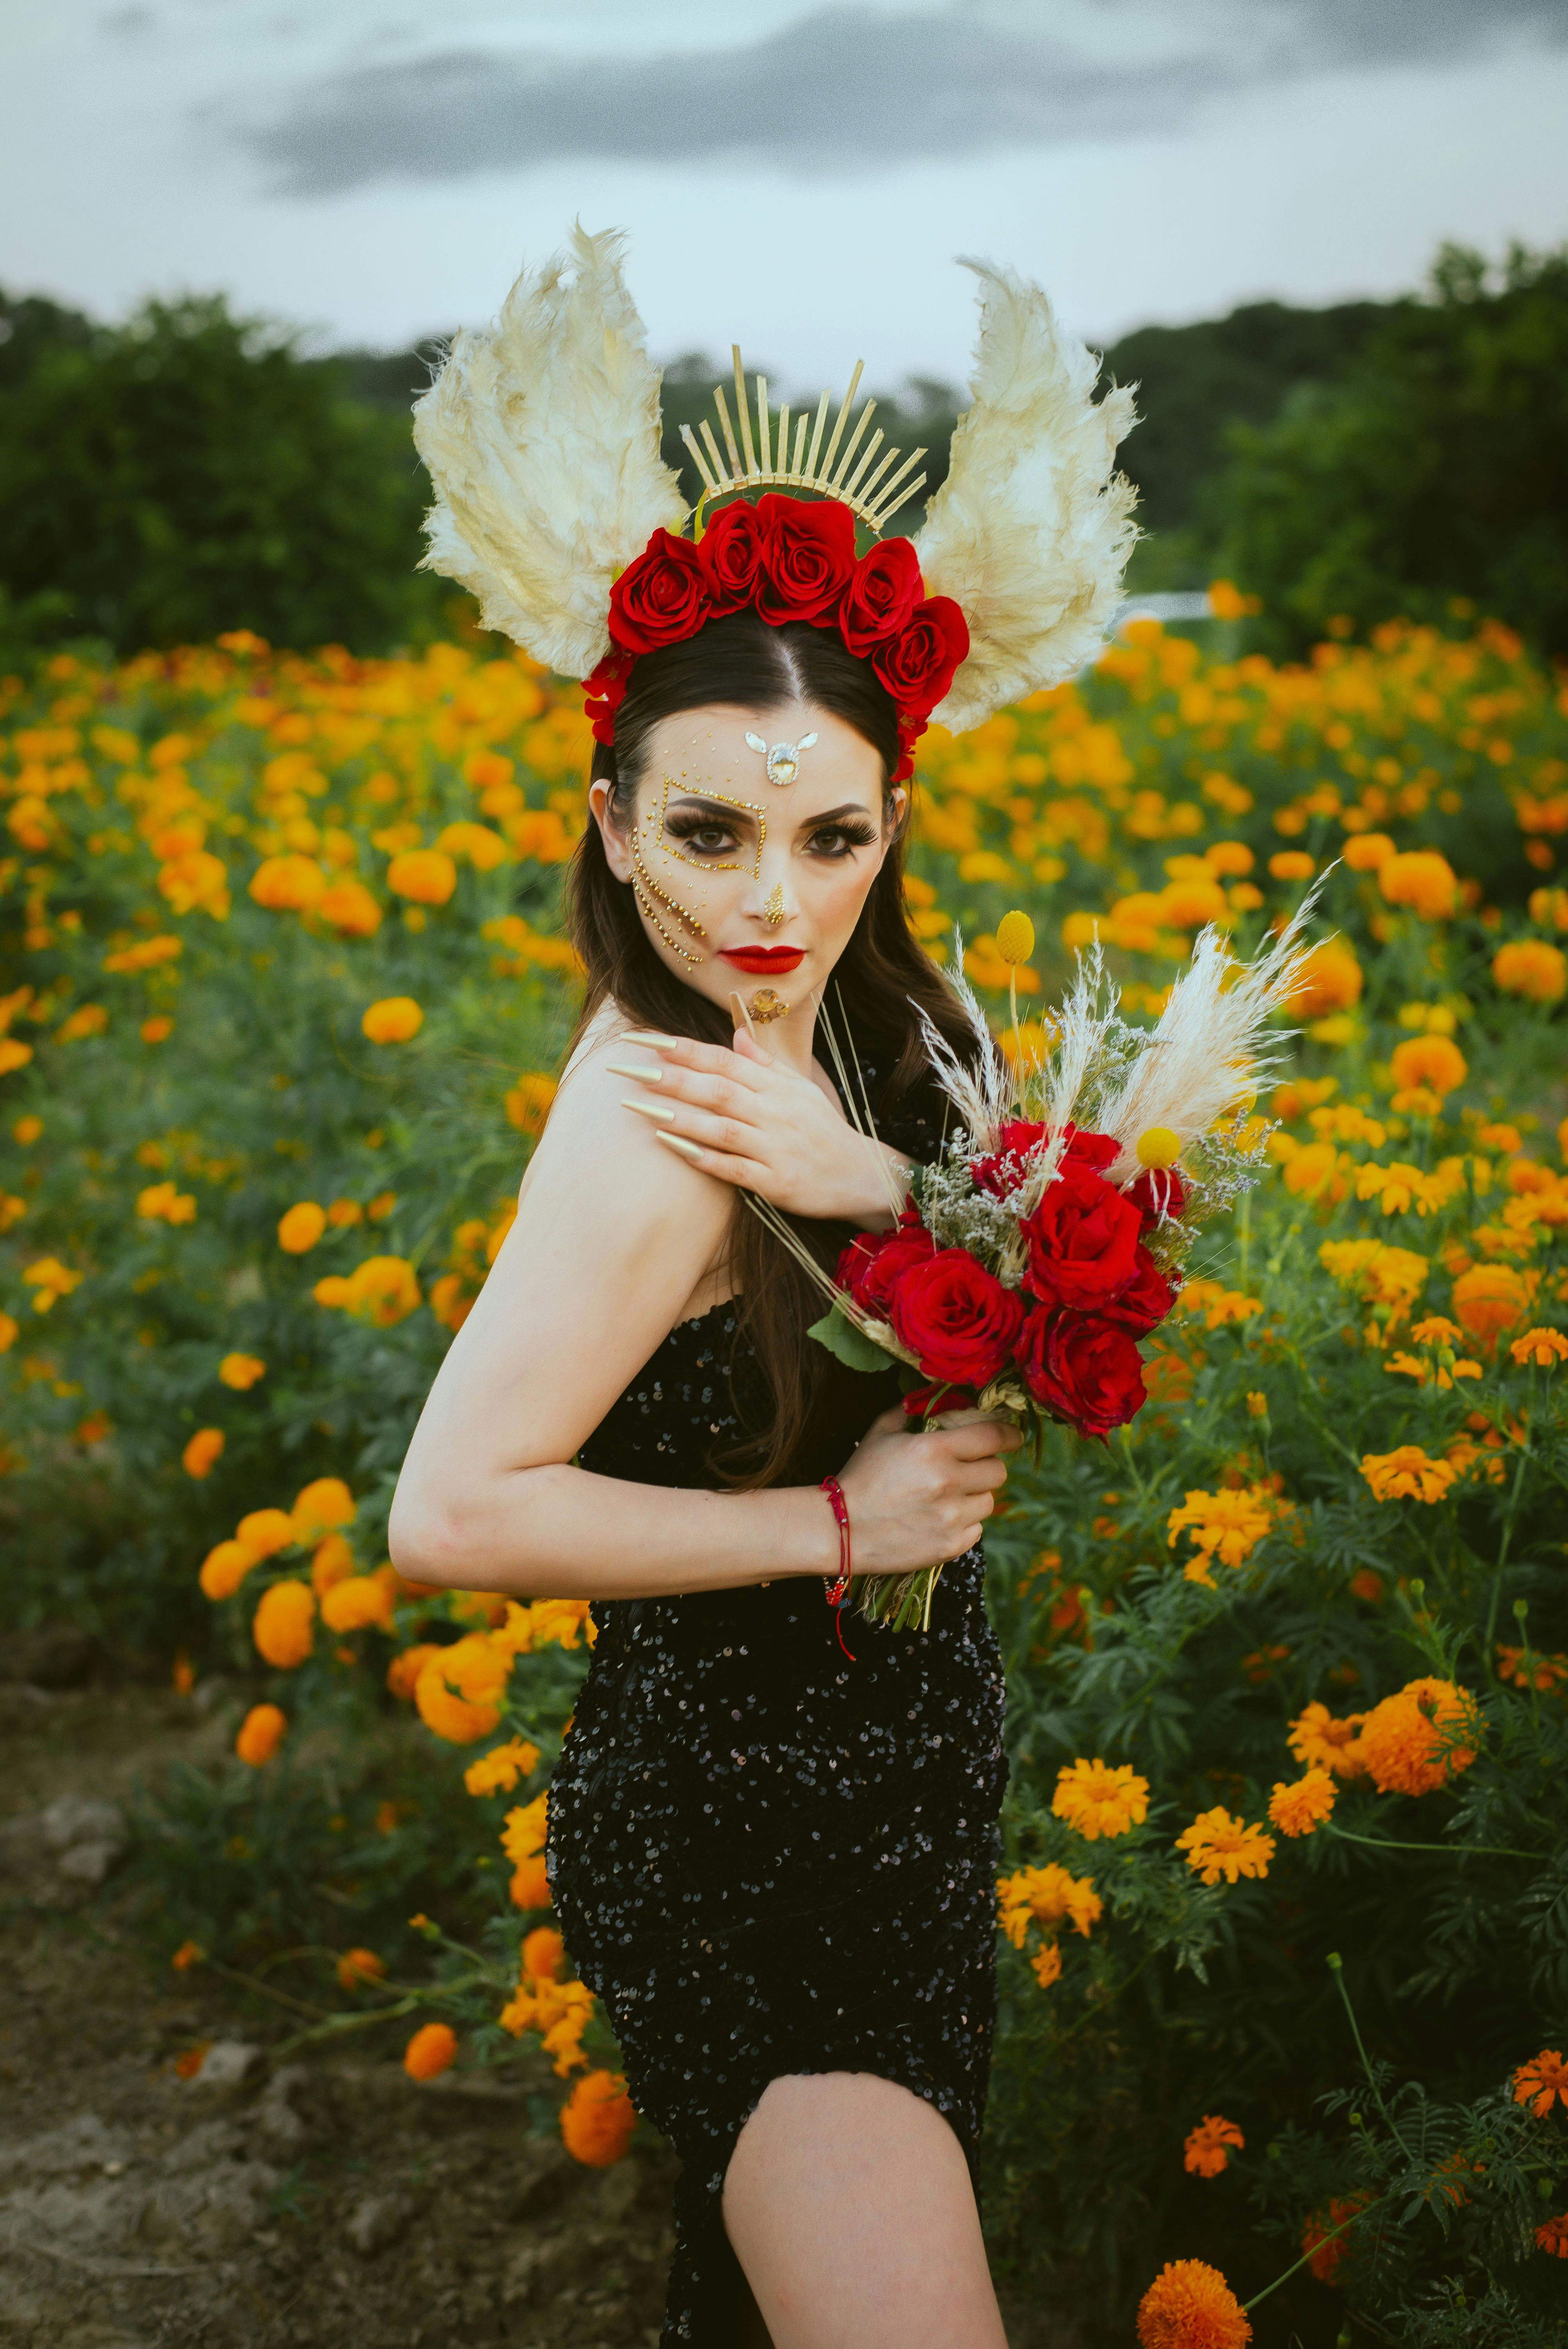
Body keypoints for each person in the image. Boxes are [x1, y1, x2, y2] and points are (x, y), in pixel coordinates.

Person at [389, 227, 1137, 2348]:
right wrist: (831, 1526)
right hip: (750, 1850)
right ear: (614, 830)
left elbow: (1093, 1346)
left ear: (895, 818)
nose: (774, 901)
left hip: (909, 1814)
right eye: (709, 837)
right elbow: (447, 1514)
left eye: (831, 839)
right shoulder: (652, 1121)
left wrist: (884, 1182)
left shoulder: (913, 1048)